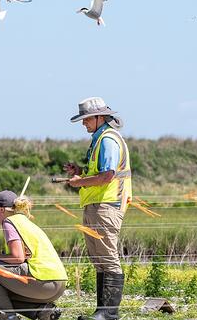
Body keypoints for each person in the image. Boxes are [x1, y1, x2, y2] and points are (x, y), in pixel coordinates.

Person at [64, 97, 132, 320]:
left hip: (107, 205)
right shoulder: (99, 139)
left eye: (86, 119)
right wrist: (80, 171)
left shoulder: (108, 140)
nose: (84, 123)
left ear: (99, 117)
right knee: (99, 258)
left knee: (107, 256)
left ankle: (108, 313)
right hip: (97, 204)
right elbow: (99, 172)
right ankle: (102, 312)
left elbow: (106, 176)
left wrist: (78, 182)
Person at [0, 190, 67, 320]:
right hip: (58, 283)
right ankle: (43, 312)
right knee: (1, 292)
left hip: (44, 281)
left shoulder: (8, 222)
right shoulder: (24, 221)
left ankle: (9, 317)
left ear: (2, 210)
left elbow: (17, 258)